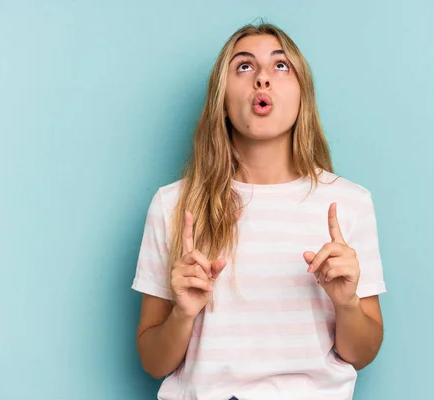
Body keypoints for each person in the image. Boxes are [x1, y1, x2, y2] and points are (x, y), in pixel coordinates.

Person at [131, 22, 387, 400]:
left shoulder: (350, 203)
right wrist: (183, 314)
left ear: (303, 94)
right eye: (244, 67)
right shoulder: (173, 206)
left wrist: (346, 303)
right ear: (221, 96)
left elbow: (362, 354)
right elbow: (153, 362)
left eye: (281, 66)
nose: (262, 79)